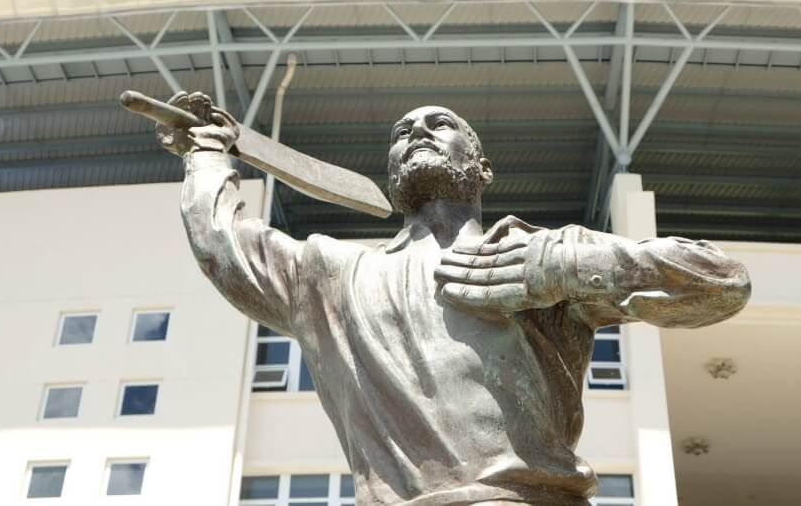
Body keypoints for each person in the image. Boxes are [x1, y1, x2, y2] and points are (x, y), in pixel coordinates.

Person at [158, 92, 750, 506]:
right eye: (400, 133)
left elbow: (721, 282)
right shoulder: (330, 275)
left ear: (482, 166)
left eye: (440, 125)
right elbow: (223, 245)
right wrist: (207, 154)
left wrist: (565, 266)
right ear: (391, 176)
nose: (416, 131)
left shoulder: (539, 254)